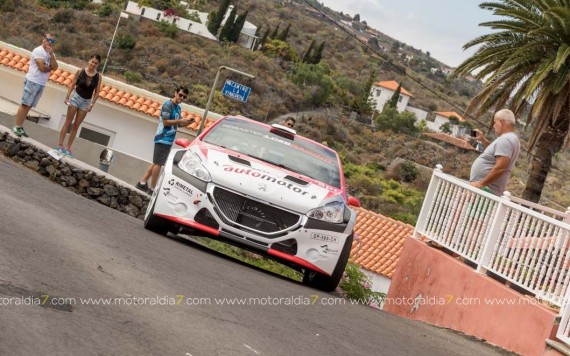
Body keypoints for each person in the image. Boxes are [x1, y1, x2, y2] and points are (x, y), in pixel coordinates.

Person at [136, 86, 194, 194]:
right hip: (162, 138)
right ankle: (152, 189)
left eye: (184, 97)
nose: (181, 98)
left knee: (156, 162)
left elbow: (178, 124)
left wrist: (187, 122)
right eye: (180, 95)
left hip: (169, 140)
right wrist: (180, 120)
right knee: (159, 163)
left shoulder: (178, 108)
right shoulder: (168, 105)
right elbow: (166, 122)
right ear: (175, 93)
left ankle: (142, 183)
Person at [12, 33, 59, 138]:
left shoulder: (51, 54)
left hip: (41, 83)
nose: (49, 42)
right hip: (33, 81)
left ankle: (20, 127)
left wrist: (51, 56)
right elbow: (42, 68)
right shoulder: (38, 51)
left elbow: (55, 67)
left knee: (29, 106)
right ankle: (16, 126)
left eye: (52, 41)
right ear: (43, 39)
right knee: (25, 104)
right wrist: (50, 67)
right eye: (48, 40)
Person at [57, 54, 103, 157]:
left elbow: (97, 92)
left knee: (76, 125)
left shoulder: (98, 77)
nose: (93, 64)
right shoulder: (81, 71)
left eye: (96, 63)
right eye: (92, 62)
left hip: (86, 102)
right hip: (76, 98)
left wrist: (92, 104)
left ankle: (68, 148)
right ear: (89, 61)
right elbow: (73, 84)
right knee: (68, 122)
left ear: (98, 64)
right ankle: (60, 145)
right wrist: (67, 96)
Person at [470, 109, 520, 196]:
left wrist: (480, 184)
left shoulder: (506, 140)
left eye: (495, 122)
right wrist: (482, 139)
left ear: (500, 122)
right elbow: (495, 154)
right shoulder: (509, 138)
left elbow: (500, 167)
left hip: (485, 190)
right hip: (484, 189)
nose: (493, 126)